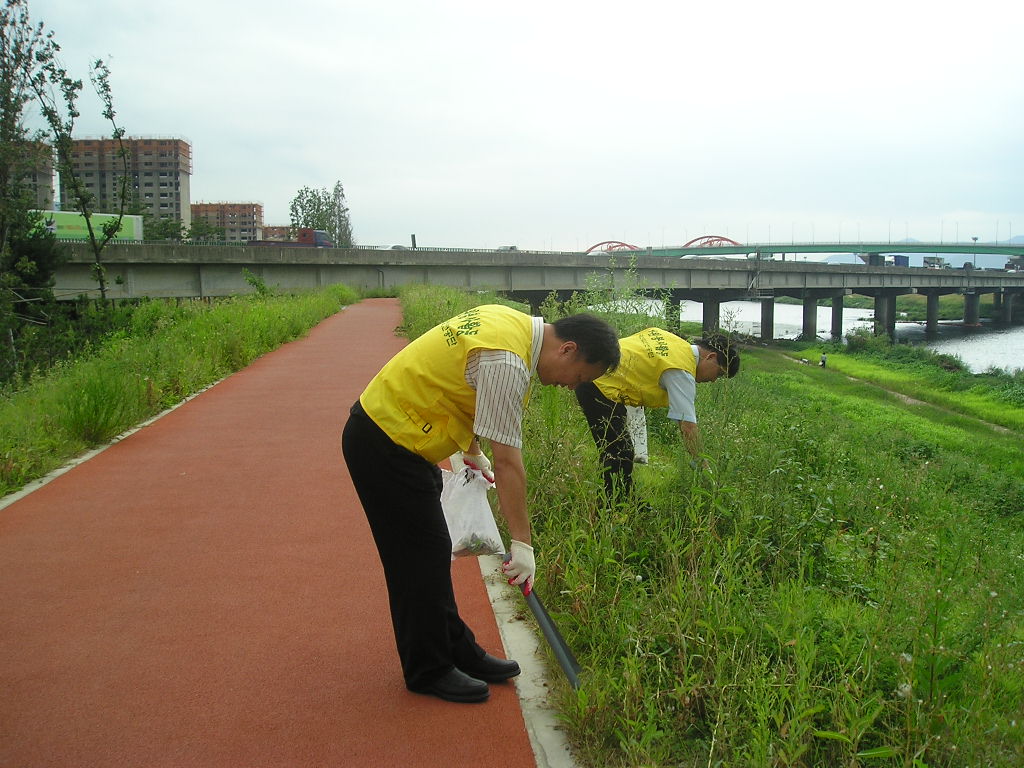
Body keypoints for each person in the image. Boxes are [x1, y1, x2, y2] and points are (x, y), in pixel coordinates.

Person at [341, 304, 620, 703]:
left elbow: (463, 388)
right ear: (568, 349)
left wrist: (471, 451)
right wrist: (523, 545)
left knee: (432, 552)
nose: (571, 386)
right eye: (579, 378)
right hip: (384, 444)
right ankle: (428, 669)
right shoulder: (508, 362)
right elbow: (509, 463)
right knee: (415, 560)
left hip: (399, 437)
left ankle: (457, 649)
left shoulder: (509, 323)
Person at [574, 327, 739, 502]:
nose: (713, 380)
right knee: (618, 452)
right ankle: (612, 508)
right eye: (719, 374)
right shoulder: (681, 370)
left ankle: (625, 501)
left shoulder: (675, 343)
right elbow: (688, 427)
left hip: (596, 374)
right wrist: (704, 466)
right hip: (599, 385)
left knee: (620, 451)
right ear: (711, 357)